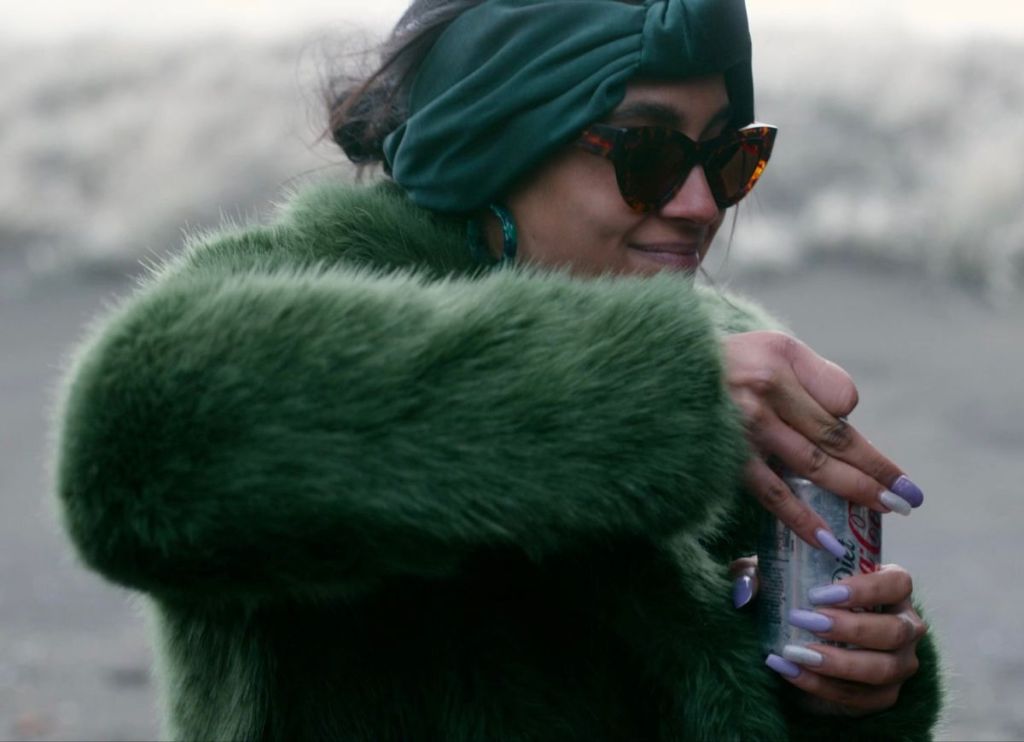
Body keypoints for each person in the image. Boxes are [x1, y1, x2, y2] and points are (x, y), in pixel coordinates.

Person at [53, 0, 942, 739]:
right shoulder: (277, 296)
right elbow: (130, 445)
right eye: (647, 151)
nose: (701, 202)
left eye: (728, 155)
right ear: (494, 140)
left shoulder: (731, 366)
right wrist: (640, 395)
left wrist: (852, 690)